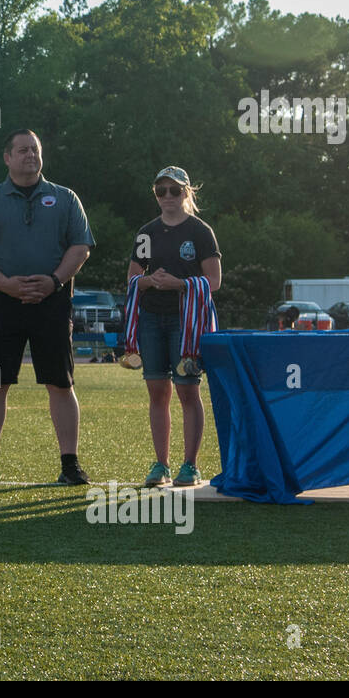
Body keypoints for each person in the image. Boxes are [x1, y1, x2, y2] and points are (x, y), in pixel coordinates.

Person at [0, 128, 96, 485]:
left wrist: (52, 282)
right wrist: (5, 284)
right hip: (1, 303)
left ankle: (70, 465)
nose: (30, 156)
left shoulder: (65, 198)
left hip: (51, 303)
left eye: (34, 150)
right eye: (22, 151)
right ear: (7, 158)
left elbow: (80, 248)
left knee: (60, 383)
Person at [126, 166, 222, 488]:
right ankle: (160, 465)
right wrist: (150, 281)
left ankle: (190, 465)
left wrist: (181, 284)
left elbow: (214, 281)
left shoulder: (200, 231)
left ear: (187, 193)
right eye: (161, 191)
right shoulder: (146, 233)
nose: (167, 196)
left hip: (187, 322)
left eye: (174, 190)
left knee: (187, 390)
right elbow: (132, 279)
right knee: (157, 391)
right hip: (151, 319)